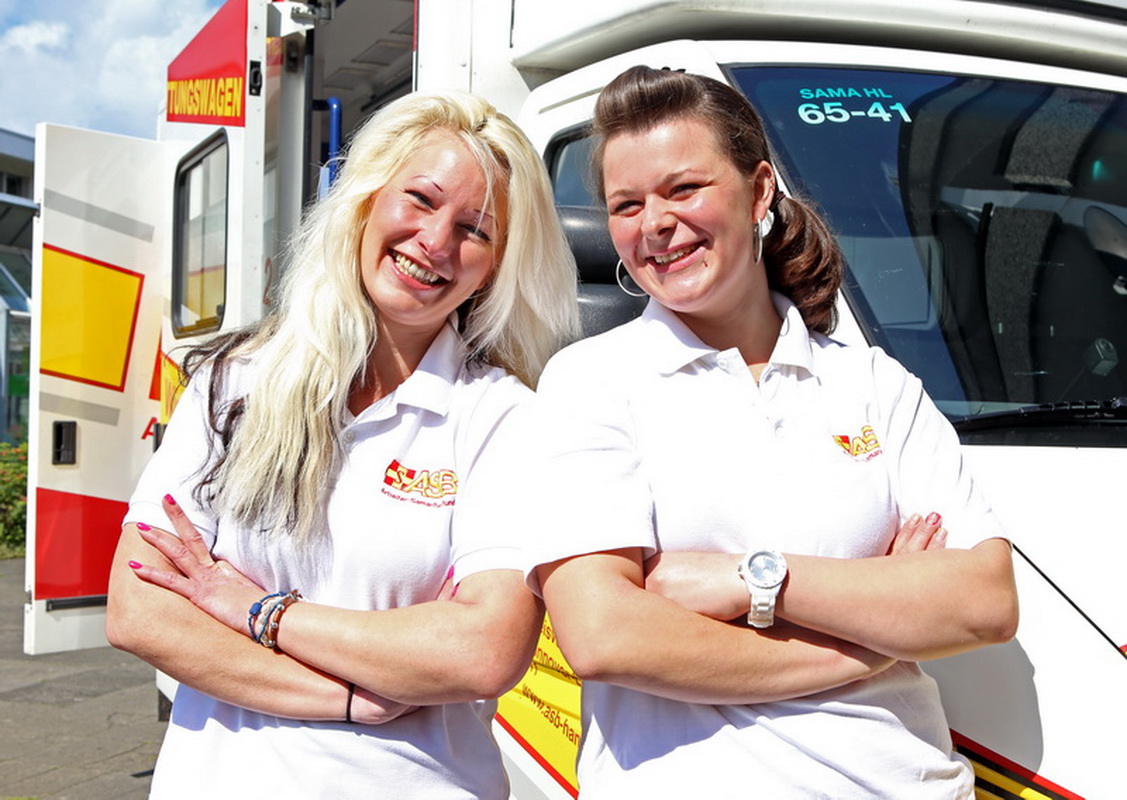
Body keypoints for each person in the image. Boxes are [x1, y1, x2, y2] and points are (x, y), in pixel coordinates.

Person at [518, 66, 1018, 798]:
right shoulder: (589, 383)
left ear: (757, 193)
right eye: (626, 204)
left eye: (683, 189)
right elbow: (605, 635)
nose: (654, 223)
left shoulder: (873, 384)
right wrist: (872, 635)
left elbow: (984, 601)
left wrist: (749, 578)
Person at [105, 91, 580, 799]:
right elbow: (139, 608)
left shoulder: (501, 416)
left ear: (497, 265)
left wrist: (255, 610)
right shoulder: (234, 382)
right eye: (419, 199)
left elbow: (482, 650)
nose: (435, 242)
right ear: (365, 198)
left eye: (475, 230)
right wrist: (351, 698)